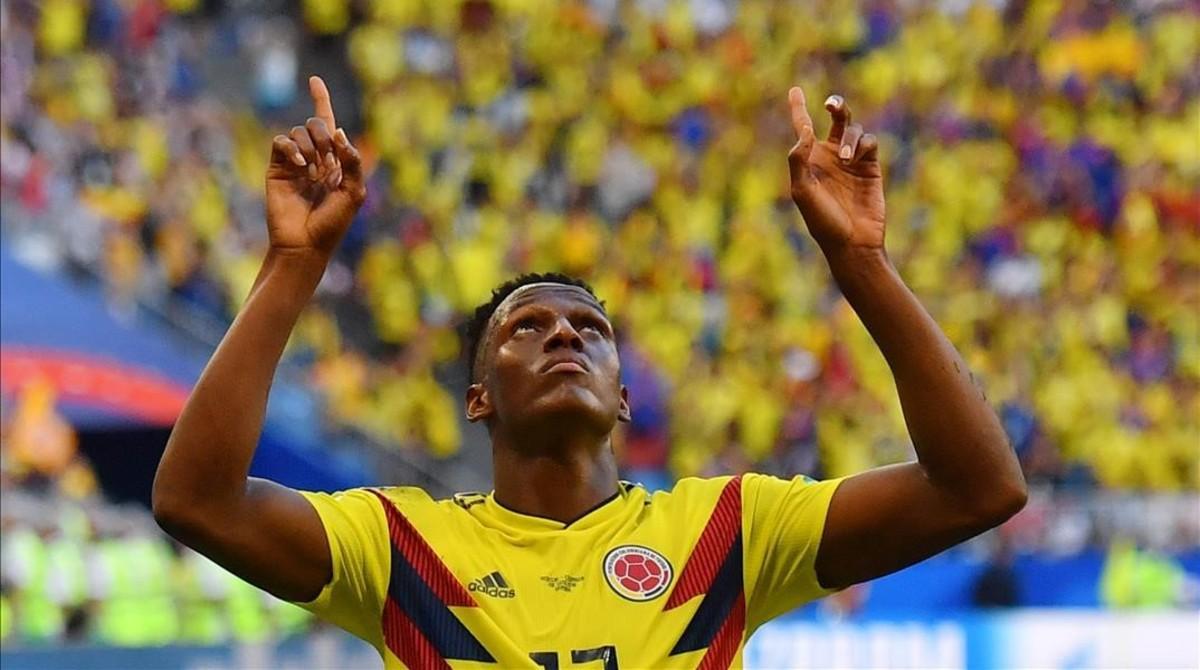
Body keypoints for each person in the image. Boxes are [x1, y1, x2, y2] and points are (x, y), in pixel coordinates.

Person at [153, 76, 1027, 669]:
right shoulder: (401, 553)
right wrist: (295, 265)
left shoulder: (731, 531)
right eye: (525, 326)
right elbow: (197, 501)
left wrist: (863, 263)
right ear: (478, 396)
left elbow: (977, 489)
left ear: (620, 394)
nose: (564, 335)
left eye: (591, 329)